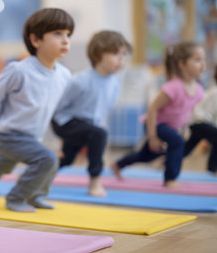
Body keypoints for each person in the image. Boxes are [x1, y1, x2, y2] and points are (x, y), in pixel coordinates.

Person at [0, 8, 75, 212]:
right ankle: (17, 198)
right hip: (9, 134)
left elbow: (56, 106)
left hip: (32, 136)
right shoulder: (20, 70)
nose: (65, 40)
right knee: (47, 159)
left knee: (2, 166)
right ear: (36, 40)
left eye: (68, 35)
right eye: (58, 34)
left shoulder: (64, 75)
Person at [111, 41, 206, 188]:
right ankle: (170, 179)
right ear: (182, 64)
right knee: (177, 142)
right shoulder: (173, 87)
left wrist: (184, 128)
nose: (203, 64)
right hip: (155, 124)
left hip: (171, 128)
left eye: (203, 60)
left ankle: (117, 165)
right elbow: (152, 109)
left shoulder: (199, 90)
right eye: (197, 60)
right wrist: (153, 136)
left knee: (145, 156)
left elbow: (187, 111)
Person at [51, 30, 132, 197]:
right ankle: (95, 181)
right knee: (100, 134)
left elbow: (102, 110)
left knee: (67, 159)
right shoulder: (80, 80)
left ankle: (38, 173)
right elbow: (59, 105)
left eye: (124, 55)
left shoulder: (114, 84)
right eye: (116, 54)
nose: (121, 60)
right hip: (64, 121)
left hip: (86, 125)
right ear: (98, 55)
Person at [183, 65, 217, 175]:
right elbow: (211, 115)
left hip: (198, 122)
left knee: (187, 148)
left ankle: (167, 161)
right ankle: (211, 169)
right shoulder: (215, 91)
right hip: (200, 122)